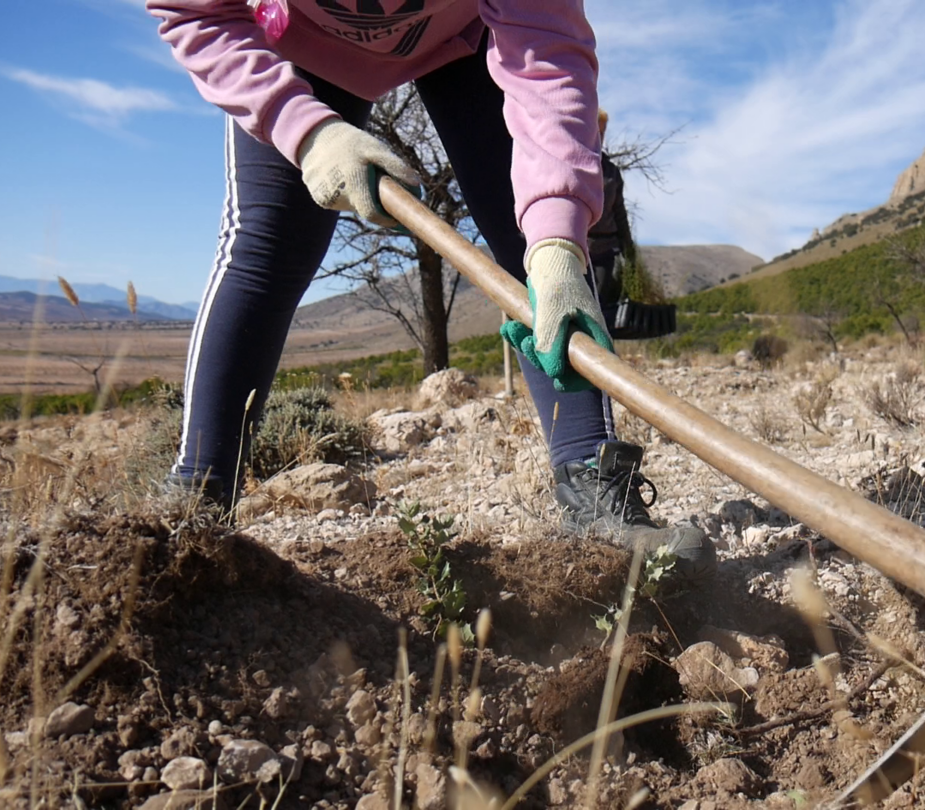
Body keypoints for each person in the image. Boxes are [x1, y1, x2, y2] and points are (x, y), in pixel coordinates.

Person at [147, 0, 714, 586]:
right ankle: (194, 501)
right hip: (299, 48)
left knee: (532, 247)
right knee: (265, 251)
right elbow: (196, 14)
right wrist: (305, 131)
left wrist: (556, 242)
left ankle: (594, 488)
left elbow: (546, 51)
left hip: (463, 40)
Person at [588, 110, 678, 341]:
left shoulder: (611, 172)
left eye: (602, 132)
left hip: (605, 248)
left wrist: (629, 250)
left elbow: (619, 213)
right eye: (596, 130)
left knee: (602, 304)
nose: (600, 136)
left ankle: (600, 354)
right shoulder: (573, 164)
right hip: (578, 247)